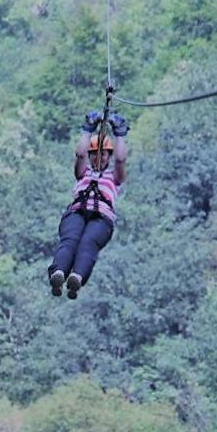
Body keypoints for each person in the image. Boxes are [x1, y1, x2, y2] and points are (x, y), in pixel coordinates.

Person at [48, 110, 129, 299]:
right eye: (93, 155)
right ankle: (59, 272)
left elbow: (121, 159)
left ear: (108, 156)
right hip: (77, 211)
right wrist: (87, 130)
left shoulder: (114, 177)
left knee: (88, 243)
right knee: (70, 240)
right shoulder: (83, 173)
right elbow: (79, 154)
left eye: (103, 155)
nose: (98, 158)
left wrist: (120, 134)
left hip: (101, 217)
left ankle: (77, 276)